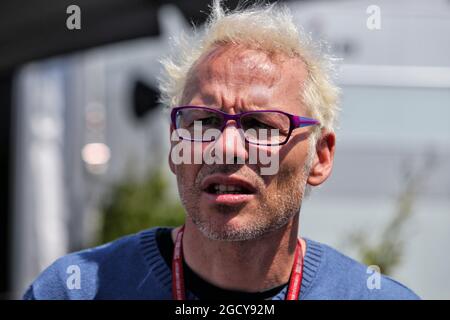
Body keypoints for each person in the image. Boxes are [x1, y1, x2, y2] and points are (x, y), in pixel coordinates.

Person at [24, 0, 419, 300]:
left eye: (262, 126)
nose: (226, 148)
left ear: (320, 157)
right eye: (203, 122)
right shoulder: (76, 290)